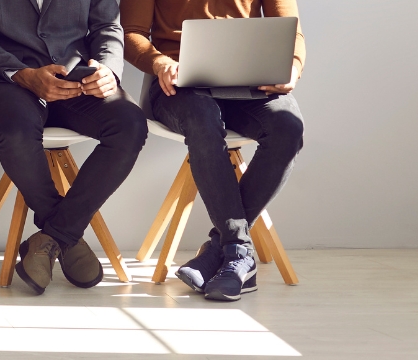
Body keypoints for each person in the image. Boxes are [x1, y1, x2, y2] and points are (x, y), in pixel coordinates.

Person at [0, 0, 147, 295]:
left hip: (77, 78)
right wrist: (22, 74)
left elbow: (107, 26)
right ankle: (65, 234)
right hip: (8, 81)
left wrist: (108, 70)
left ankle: (54, 236)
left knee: (130, 124)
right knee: (16, 129)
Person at [122, 0, 305, 302]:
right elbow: (131, 34)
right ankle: (237, 253)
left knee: (288, 128)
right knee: (204, 122)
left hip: (252, 83)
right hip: (178, 87)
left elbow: (292, 31)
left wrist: (293, 67)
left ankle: (220, 249)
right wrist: (159, 63)